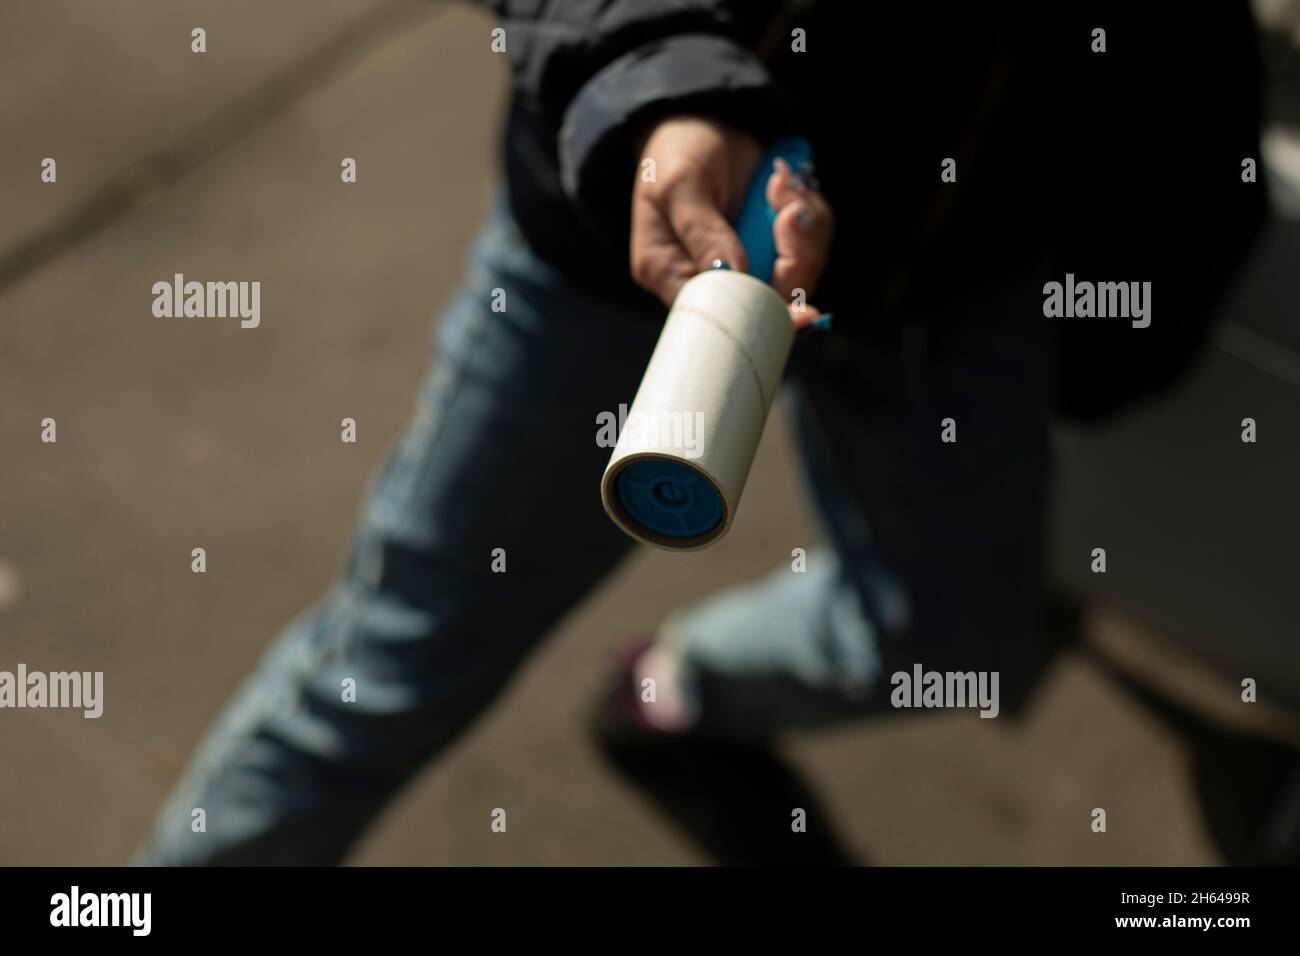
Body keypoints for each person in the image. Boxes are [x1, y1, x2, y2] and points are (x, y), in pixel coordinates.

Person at [136, 2, 1266, 864]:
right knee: (393, 667)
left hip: (955, 261)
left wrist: (1179, 238)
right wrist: (655, 83)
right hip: (641, 229)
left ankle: (677, 693)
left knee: (956, 640)